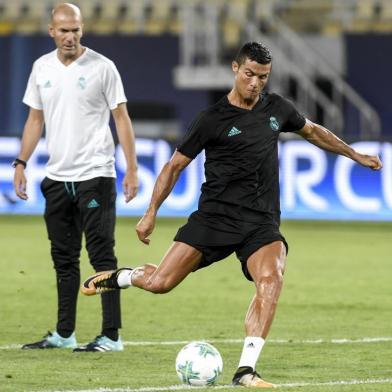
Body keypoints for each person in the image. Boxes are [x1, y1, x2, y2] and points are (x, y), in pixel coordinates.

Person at [81, 42, 382, 385]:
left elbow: (314, 132)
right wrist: (151, 213)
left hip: (260, 221)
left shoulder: (277, 109)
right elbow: (174, 166)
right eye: (250, 74)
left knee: (271, 278)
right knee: (159, 283)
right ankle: (121, 277)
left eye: (263, 77)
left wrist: (355, 155)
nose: (256, 83)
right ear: (236, 70)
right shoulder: (211, 120)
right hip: (214, 218)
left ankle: (246, 370)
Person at [13, 3, 138, 352]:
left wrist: (132, 168)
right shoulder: (41, 68)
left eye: (76, 30)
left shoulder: (102, 68)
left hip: (95, 174)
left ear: (82, 30)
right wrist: (21, 162)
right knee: (63, 258)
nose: (70, 37)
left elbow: (121, 118)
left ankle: (111, 336)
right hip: (57, 178)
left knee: (102, 256)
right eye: (63, 30)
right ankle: (64, 333)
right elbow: (35, 119)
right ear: (51, 31)